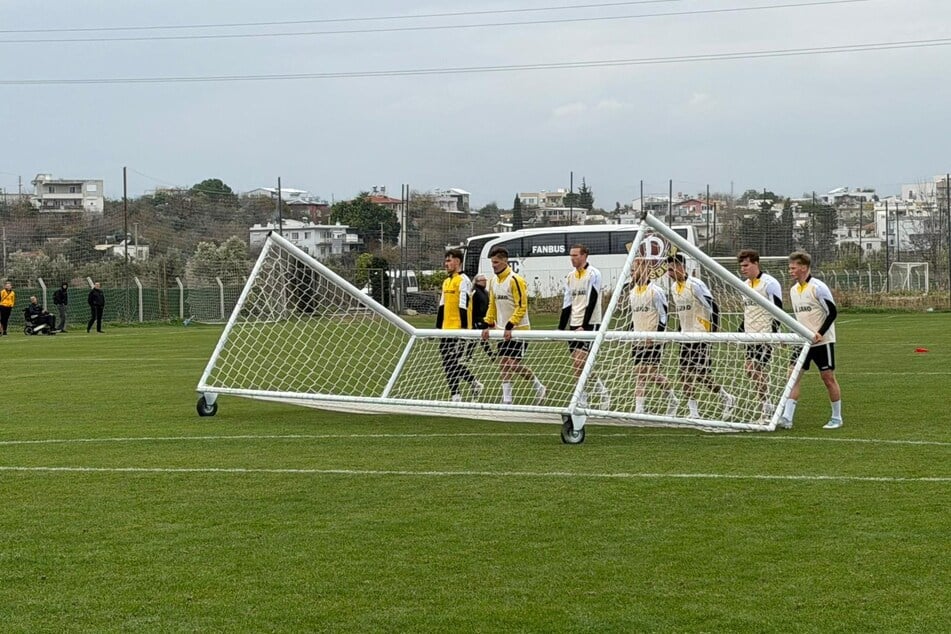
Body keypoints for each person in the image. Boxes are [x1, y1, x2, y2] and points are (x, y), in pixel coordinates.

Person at [666, 253, 736, 419]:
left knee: (701, 376)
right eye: (667, 270)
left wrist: (713, 332)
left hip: (701, 335)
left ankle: (726, 397)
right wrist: (679, 331)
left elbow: (713, 306)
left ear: (680, 267)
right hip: (686, 337)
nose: (669, 273)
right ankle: (693, 412)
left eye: (671, 269)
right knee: (684, 374)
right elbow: (682, 314)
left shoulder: (696, 285)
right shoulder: (673, 288)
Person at [782, 251, 843, 430]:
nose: (790, 271)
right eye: (789, 268)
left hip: (822, 342)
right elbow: (799, 318)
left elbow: (832, 312)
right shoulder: (793, 290)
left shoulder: (818, 287)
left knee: (828, 378)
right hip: (802, 342)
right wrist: (790, 336)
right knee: (792, 376)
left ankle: (837, 417)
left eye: (793, 268)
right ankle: (787, 417)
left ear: (803, 267)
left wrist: (820, 333)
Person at [480, 246, 546, 405]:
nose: (493, 265)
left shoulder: (516, 280)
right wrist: (489, 324)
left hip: (519, 330)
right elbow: (492, 305)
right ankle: (507, 400)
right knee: (503, 363)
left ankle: (538, 386)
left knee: (513, 364)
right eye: (492, 262)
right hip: (501, 330)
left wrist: (510, 326)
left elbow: (522, 306)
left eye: (496, 262)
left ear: (504, 261)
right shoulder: (493, 281)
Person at [557, 243, 610, 408]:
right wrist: (561, 328)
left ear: (585, 255)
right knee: (579, 364)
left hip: (590, 323)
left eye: (576, 255)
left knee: (579, 362)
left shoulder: (594, 274)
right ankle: (601, 391)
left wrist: (584, 324)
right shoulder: (570, 276)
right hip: (574, 323)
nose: (572, 259)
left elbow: (592, 299)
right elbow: (567, 303)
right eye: (571, 255)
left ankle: (582, 399)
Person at [627, 256, 679, 416]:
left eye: (634, 270)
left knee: (650, 372)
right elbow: (634, 316)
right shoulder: (633, 292)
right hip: (638, 340)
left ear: (644, 270)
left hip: (653, 340)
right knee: (639, 372)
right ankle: (639, 408)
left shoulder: (656, 292)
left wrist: (655, 335)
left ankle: (672, 398)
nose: (632, 273)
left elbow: (664, 315)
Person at [737, 249, 784, 421]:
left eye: (746, 265)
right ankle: (767, 404)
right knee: (751, 370)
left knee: (754, 368)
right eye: (741, 266)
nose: (743, 269)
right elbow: (748, 312)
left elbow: (778, 310)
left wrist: (774, 333)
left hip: (765, 335)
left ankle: (767, 407)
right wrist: (740, 331)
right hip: (750, 336)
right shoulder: (745, 285)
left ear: (756, 263)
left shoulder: (769, 283)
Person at [436, 249, 483, 402]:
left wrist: (463, 330)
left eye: (449, 260)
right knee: (447, 362)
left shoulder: (463, 280)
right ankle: (470, 385)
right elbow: (442, 306)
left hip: (459, 329)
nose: (446, 264)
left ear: (458, 261)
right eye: (446, 260)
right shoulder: (447, 281)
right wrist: (437, 329)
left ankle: (457, 395)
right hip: (446, 329)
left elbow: (463, 305)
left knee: (452, 362)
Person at [466, 273, 495, 362]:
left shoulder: (485, 292)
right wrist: (473, 319)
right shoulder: (474, 292)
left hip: (485, 318)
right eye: (483, 280)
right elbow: (470, 307)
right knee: (477, 338)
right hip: (477, 318)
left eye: (485, 280)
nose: (485, 282)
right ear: (477, 281)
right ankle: (469, 355)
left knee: (482, 337)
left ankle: (491, 354)